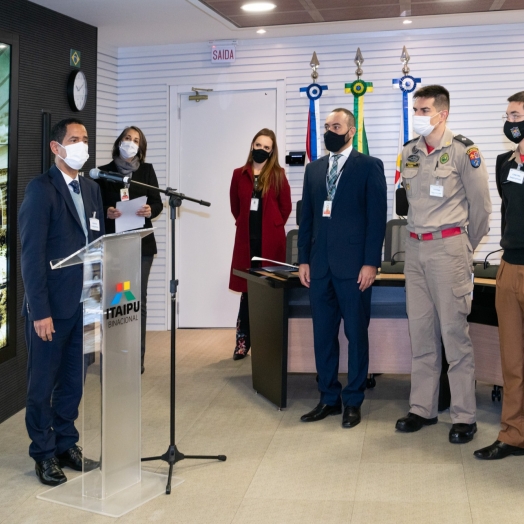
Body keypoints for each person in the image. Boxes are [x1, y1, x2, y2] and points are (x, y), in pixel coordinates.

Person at [395, 85, 491, 443]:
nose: (417, 116)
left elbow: (481, 209)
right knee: (420, 334)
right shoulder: (409, 152)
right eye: (415, 110)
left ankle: (464, 415)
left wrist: (464, 247)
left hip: (449, 249)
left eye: (423, 110)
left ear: (442, 113)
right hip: (415, 250)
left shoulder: (465, 151)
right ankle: (422, 408)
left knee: (454, 335)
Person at [19, 118, 105, 486]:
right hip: (51, 309)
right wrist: (40, 311)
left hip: (86, 303)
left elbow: (97, 244)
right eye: (74, 139)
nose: (82, 145)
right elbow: (30, 255)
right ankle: (43, 452)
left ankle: (66, 443)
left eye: (85, 139)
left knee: (74, 381)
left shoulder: (91, 188)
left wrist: (100, 302)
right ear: (57, 147)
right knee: (43, 384)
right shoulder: (41, 190)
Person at [298, 108, 387, 428]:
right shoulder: (313, 169)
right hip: (319, 267)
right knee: (323, 335)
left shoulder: (369, 166)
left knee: (355, 335)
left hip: (354, 268)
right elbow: (306, 218)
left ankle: (353, 399)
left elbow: (377, 220)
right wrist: (303, 259)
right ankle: (328, 397)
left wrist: (371, 263)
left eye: (336, 126)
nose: (329, 131)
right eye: (326, 126)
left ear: (350, 131)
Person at [474, 91, 524, 460]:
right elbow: (507, 212)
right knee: (513, 361)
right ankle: (513, 435)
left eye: (517, 114)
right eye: (508, 115)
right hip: (510, 267)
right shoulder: (505, 162)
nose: (511, 121)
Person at [96, 126, 163, 374]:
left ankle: (137, 359)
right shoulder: (102, 173)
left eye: (136, 140)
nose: (131, 143)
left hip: (141, 245)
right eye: (127, 138)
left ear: (141, 147)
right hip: (113, 245)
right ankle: (112, 358)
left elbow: (156, 203)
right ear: (119, 142)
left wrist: (150, 211)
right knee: (115, 301)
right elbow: (95, 205)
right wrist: (106, 211)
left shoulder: (146, 171)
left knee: (136, 301)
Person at [229, 128, 292, 360]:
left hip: (271, 244)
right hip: (247, 243)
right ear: (252, 145)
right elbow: (235, 206)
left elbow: (285, 207)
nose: (261, 150)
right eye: (259, 145)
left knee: (269, 292)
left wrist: (273, 226)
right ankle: (242, 343)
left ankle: (269, 344)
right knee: (247, 292)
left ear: (271, 151)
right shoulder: (239, 174)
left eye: (267, 147)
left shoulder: (278, 173)